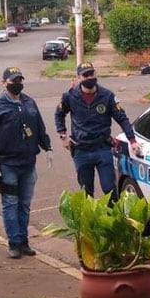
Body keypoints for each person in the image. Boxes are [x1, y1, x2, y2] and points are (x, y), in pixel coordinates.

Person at [0, 66, 53, 259]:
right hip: (7, 165)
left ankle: (24, 241)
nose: (17, 84)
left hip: (28, 163)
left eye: (20, 80)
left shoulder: (29, 102)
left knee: (25, 204)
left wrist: (48, 147)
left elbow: (39, 127)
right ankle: (14, 242)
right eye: (13, 81)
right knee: (10, 203)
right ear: (4, 83)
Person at [54, 62, 142, 198]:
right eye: (85, 75)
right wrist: (63, 136)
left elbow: (122, 118)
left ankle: (113, 218)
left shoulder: (107, 96)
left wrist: (132, 140)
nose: (89, 77)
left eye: (91, 74)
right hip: (81, 150)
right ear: (79, 78)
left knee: (110, 189)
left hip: (102, 149)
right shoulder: (69, 96)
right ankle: (91, 219)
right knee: (86, 191)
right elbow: (59, 114)